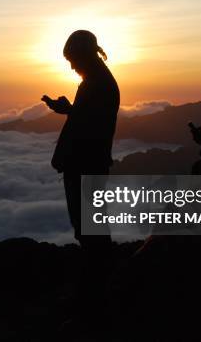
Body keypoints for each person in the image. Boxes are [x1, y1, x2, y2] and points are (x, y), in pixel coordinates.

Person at [42, 30, 119, 319]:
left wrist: (69, 112)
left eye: (73, 59)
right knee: (91, 229)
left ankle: (95, 297)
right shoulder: (96, 82)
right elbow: (89, 120)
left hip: (87, 166)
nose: (71, 66)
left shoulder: (97, 84)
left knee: (91, 231)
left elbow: (90, 129)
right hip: (88, 164)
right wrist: (69, 110)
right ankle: (97, 291)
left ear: (85, 54)